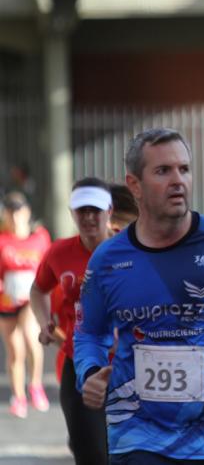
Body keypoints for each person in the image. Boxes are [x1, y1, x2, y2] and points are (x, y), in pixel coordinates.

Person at [73, 127, 204, 464]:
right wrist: (89, 372)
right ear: (134, 186)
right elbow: (88, 332)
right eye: (163, 171)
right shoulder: (108, 260)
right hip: (138, 433)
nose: (178, 180)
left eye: (184, 169)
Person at [31, 177, 116, 463]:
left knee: (130, 448)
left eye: (96, 210)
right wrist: (44, 322)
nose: (89, 217)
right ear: (72, 213)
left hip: (128, 361)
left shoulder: (131, 248)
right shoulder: (59, 252)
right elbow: (38, 289)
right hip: (79, 361)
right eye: (82, 211)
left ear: (110, 211)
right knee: (88, 450)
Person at [0, 191, 51, 418]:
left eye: (18, 210)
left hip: (30, 298)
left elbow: (48, 266)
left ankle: (36, 385)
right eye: (10, 211)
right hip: (7, 299)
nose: (14, 216)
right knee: (14, 349)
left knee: (31, 337)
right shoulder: (2, 239)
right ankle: (18, 396)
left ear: (27, 212)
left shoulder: (39, 237)